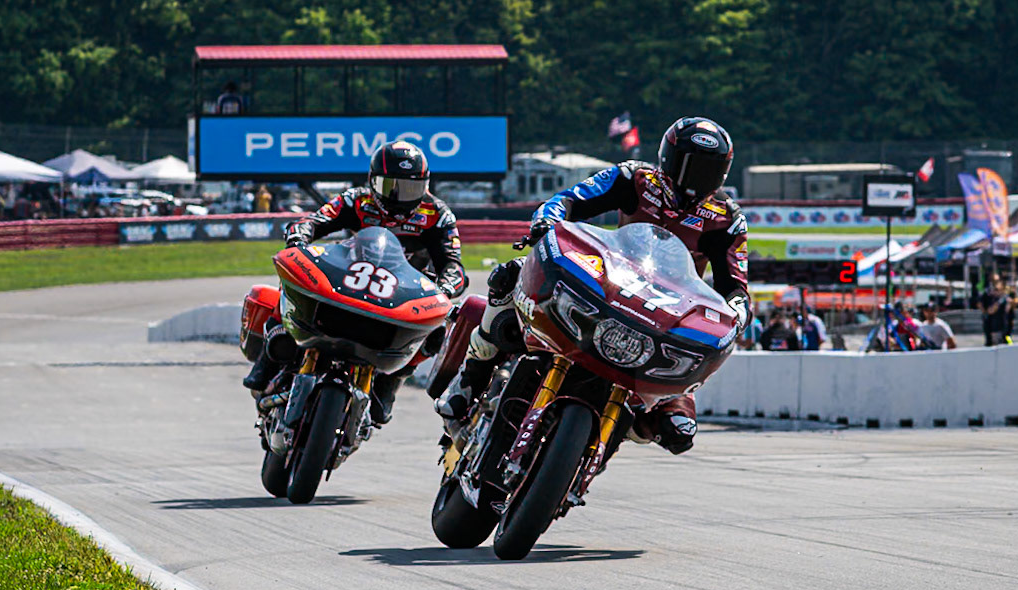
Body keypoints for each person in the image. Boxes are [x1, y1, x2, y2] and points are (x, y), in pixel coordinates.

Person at [435, 116, 750, 455]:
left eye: (708, 170)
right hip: (609, 281)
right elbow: (569, 200)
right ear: (667, 158)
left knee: (678, 430)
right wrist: (546, 222)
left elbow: (735, 284)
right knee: (509, 275)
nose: (695, 178)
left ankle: (597, 448)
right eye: (688, 165)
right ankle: (469, 381)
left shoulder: (727, 218)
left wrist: (737, 312)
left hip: (663, 314)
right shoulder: (634, 178)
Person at [243, 140, 469, 427]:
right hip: (348, 280)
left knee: (437, 330)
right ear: (373, 182)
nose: (400, 197)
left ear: (425, 186)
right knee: (293, 275)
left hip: (402, 296)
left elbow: (453, 264)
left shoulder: (438, 214)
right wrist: (299, 237)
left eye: (410, 189)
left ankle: (390, 382)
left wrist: (446, 287)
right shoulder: (356, 200)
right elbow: (315, 221)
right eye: (391, 187)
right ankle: (269, 357)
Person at [979, 273, 1009, 346]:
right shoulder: (988, 294)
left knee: (1006, 341)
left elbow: (1008, 308)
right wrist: (986, 312)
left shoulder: (1004, 297)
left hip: (1003, 324)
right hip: (993, 325)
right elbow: (981, 305)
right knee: (993, 343)